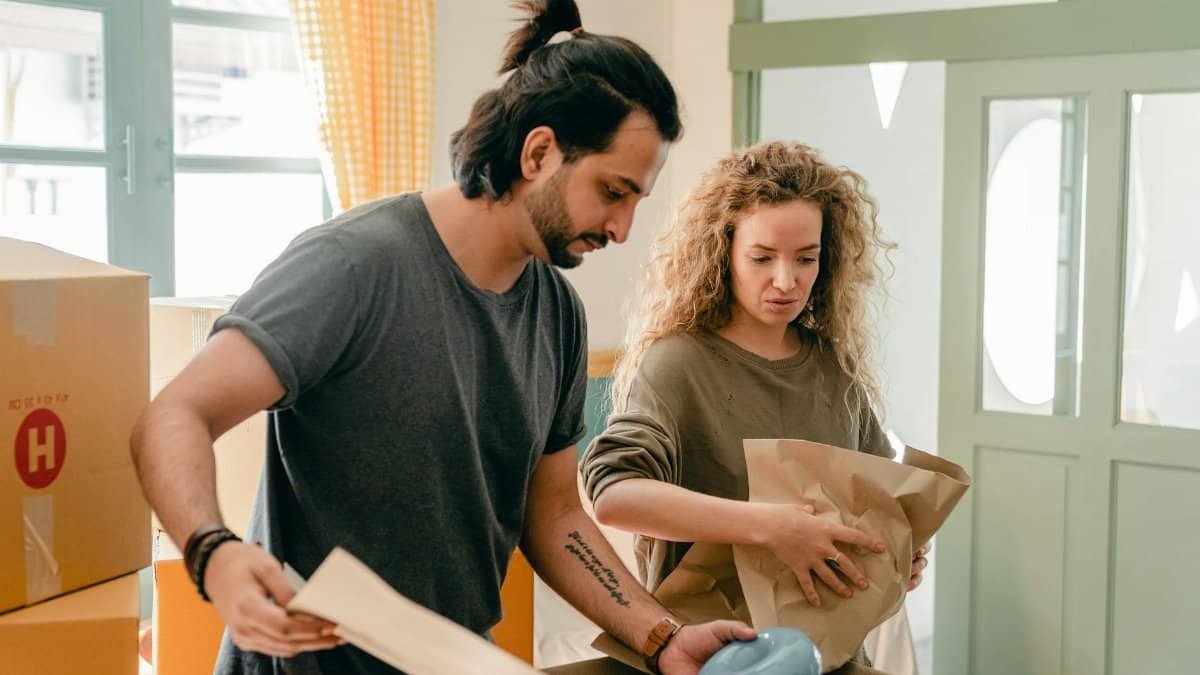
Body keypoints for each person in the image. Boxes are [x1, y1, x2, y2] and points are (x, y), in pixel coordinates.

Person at [129, 1, 755, 673]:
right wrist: (212, 552)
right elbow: (174, 415)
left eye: (637, 200)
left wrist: (661, 633)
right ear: (539, 152)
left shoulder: (558, 316)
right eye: (613, 191)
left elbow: (556, 517)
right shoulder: (354, 267)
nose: (623, 227)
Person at [580, 141, 929, 632]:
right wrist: (771, 528)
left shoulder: (834, 367)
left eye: (805, 259)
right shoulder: (680, 363)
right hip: (715, 652)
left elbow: (872, 503)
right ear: (723, 254)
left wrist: (895, 549)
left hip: (829, 649)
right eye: (762, 258)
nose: (785, 281)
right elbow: (616, 497)